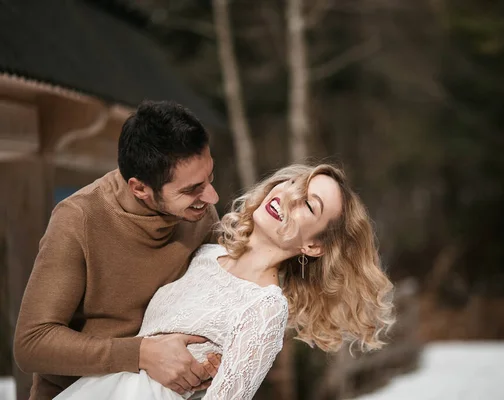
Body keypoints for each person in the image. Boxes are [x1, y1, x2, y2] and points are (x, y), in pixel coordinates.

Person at [55, 163, 396, 400]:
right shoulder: (204, 253)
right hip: (99, 388)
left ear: (313, 245)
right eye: (295, 183)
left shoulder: (265, 307)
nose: (289, 196)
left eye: (308, 204)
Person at [14, 101, 223, 399]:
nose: (212, 197)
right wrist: (140, 354)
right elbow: (31, 343)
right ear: (139, 189)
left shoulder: (199, 214)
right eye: (191, 189)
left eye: (210, 177)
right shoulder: (78, 219)